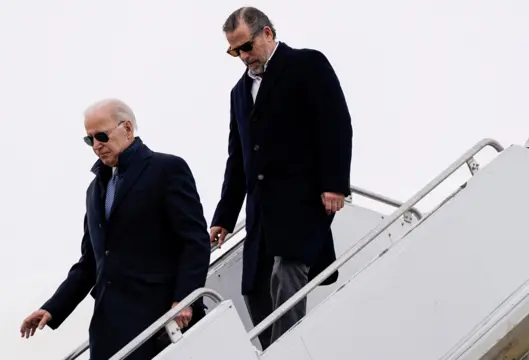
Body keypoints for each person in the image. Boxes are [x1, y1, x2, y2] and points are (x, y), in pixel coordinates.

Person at [19, 99, 211, 360]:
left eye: (102, 136)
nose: (97, 146)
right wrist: (53, 308)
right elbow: (90, 263)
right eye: (90, 140)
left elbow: (195, 241)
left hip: (160, 319)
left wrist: (185, 299)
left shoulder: (167, 169)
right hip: (110, 329)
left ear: (128, 129)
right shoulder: (95, 191)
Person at [210, 6, 353, 349]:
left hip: (302, 199)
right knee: (253, 290)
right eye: (234, 51)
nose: (242, 57)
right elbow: (238, 160)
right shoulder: (238, 94)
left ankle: (286, 352)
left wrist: (335, 183)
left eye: (246, 47)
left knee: (287, 271)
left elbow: (335, 123)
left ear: (268, 34)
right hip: (262, 211)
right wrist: (224, 218)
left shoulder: (307, 64)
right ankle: (276, 350)